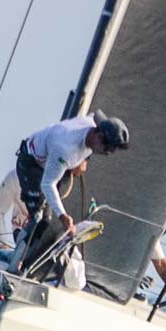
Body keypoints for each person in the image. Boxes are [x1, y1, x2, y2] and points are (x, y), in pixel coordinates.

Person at [11, 111, 130, 275]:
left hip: (53, 160)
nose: (107, 153)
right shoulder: (65, 149)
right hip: (31, 163)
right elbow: (47, 184)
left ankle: (26, 263)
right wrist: (63, 216)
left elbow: (95, 113)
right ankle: (14, 266)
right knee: (41, 220)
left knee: (51, 222)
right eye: (107, 149)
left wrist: (84, 159)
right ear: (98, 136)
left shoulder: (94, 124)